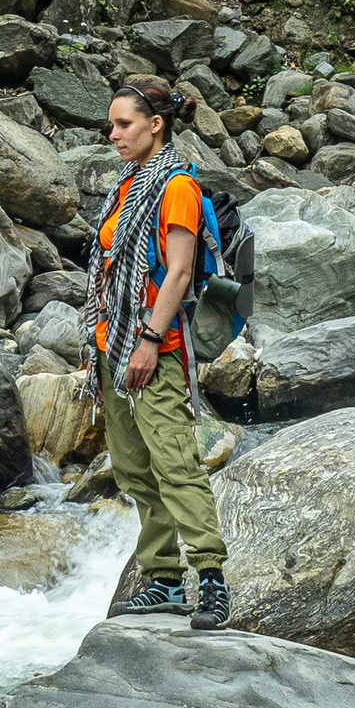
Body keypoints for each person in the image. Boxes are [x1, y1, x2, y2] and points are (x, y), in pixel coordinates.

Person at [91, 81, 232, 626]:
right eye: (112, 125)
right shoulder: (126, 183)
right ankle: (165, 579)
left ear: (157, 124)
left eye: (124, 124)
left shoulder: (174, 187)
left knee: (176, 463)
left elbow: (177, 271)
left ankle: (214, 581)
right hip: (112, 343)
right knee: (132, 467)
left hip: (154, 347)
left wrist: (150, 341)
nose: (114, 134)